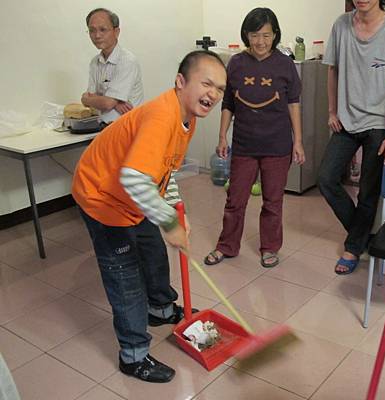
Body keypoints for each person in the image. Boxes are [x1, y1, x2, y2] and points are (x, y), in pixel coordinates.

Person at [72, 50, 226, 383]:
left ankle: (159, 308)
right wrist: (168, 221)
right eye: (207, 83)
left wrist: (172, 210)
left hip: (132, 196)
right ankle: (133, 355)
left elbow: (164, 172)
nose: (213, 94)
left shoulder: (187, 118)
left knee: (154, 251)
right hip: (101, 196)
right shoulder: (161, 115)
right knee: (125, 276)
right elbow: (133, 177)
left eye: (220, 89)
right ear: (181, 82)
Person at [317, 0, 385, 275]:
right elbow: (332, 69)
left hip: (380, 123)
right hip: (347, 120)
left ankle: (353, 248)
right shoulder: (341, 25)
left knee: (367, 191)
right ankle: (361, 235)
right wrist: (331, 110)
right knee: (326, 179)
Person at [203, 7, 304, 269]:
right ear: (246, 35)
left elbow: (294, 103)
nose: (260, 41)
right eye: (255, 35)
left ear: (275, 35)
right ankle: (227, 245)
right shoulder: (236, 63)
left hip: (277, 145)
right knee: (235, 200)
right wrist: (222, 136)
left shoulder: (285, 64)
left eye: (266, 35)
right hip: (245, 145)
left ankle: (270, 248)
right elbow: (228, 102)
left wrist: (298, 141)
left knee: (273, 201)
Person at [81, 8, 144, 123]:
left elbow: (106, 103)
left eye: (103, 29)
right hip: (102, 128)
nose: (97, 35)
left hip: (127, 129)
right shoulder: (95, 62)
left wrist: (107, 102)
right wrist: (113, 102)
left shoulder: (127, 61)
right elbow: (88, 99)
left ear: (116, 32)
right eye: (92, 30)